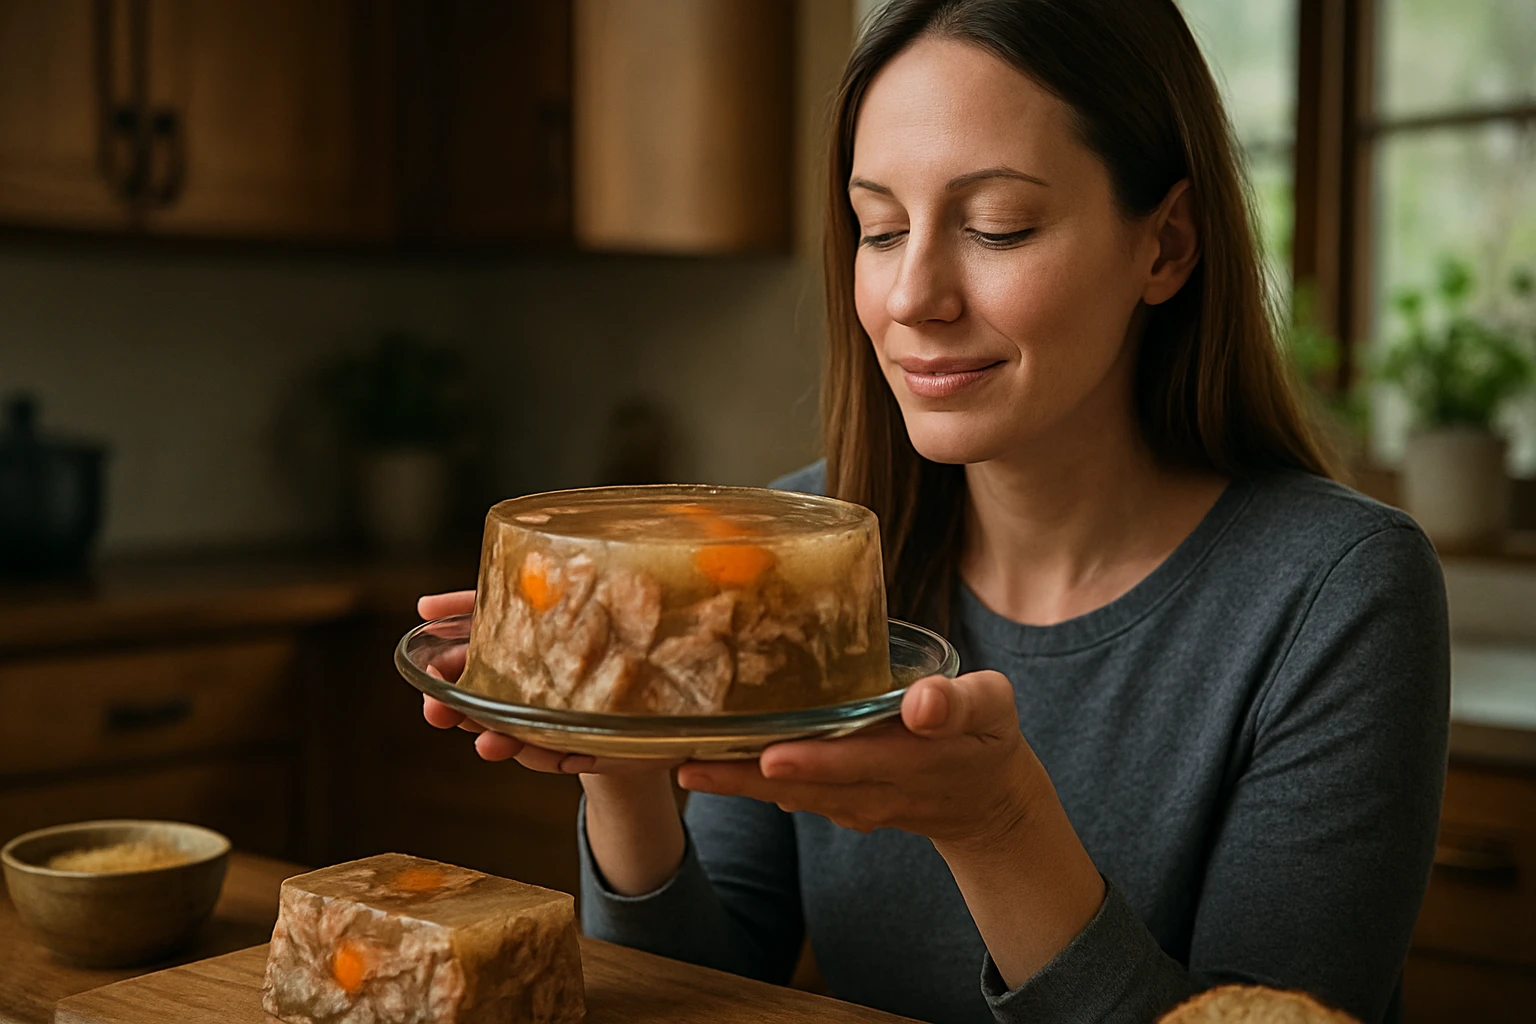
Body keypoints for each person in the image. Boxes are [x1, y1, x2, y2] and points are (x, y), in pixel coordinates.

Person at [417, 2, 1449, 1021]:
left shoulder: (1338, 590)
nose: (913, 296)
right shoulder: (799, 560)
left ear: (1166, 245)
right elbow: (708, 986)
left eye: (998, 226)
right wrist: (623, 772)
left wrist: (1000, 826)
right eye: (880, 229)